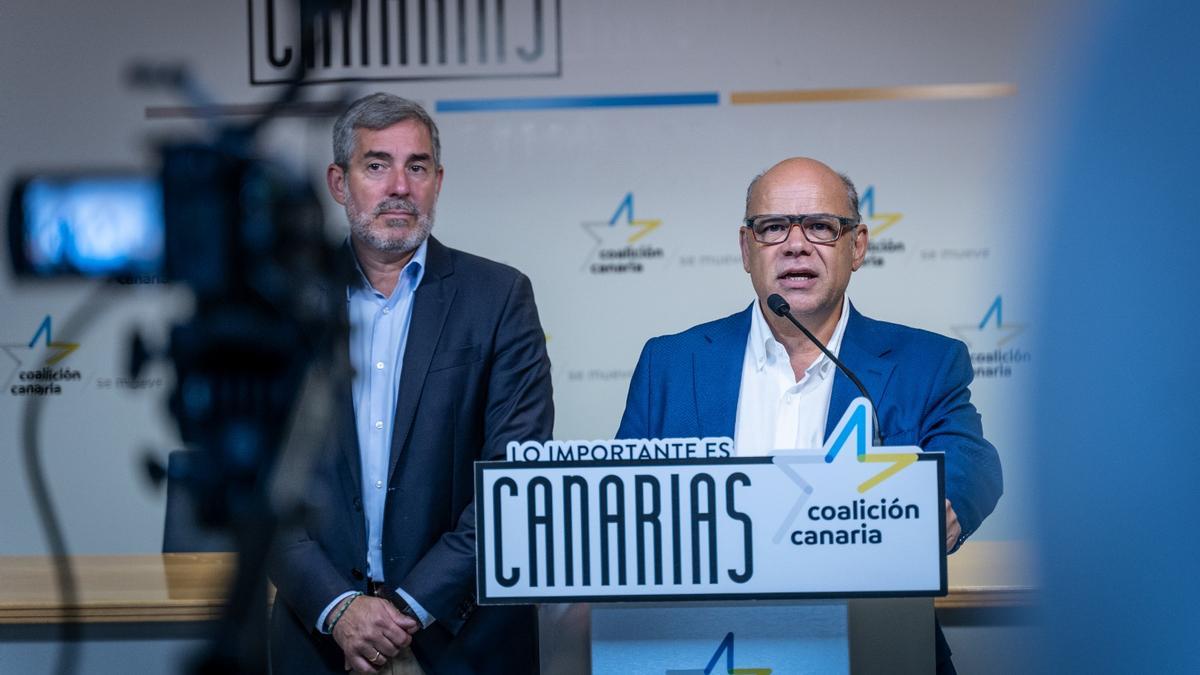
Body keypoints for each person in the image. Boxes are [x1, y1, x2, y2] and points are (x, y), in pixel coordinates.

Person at [616, 157, 1001, 674]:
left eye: (820, 226)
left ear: (857, 246)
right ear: (746, 249)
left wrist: (942, 503)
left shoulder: (924, 361)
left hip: (873, 649)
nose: (796, 244)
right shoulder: (670, 362)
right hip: (703, 652)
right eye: (773, 227)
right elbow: (622, 500)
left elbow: (971, 459)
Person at [268, 93, 553, 675]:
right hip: (318, 639)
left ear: (437, 181)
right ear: (339, 183)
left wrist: (403, 611)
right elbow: (262, 486)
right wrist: (340, 608)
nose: (399, 185)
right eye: (376, 165)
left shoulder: (498, 299)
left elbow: (515, 481)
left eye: (416, 166)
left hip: (462, 635)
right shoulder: (281, 303)